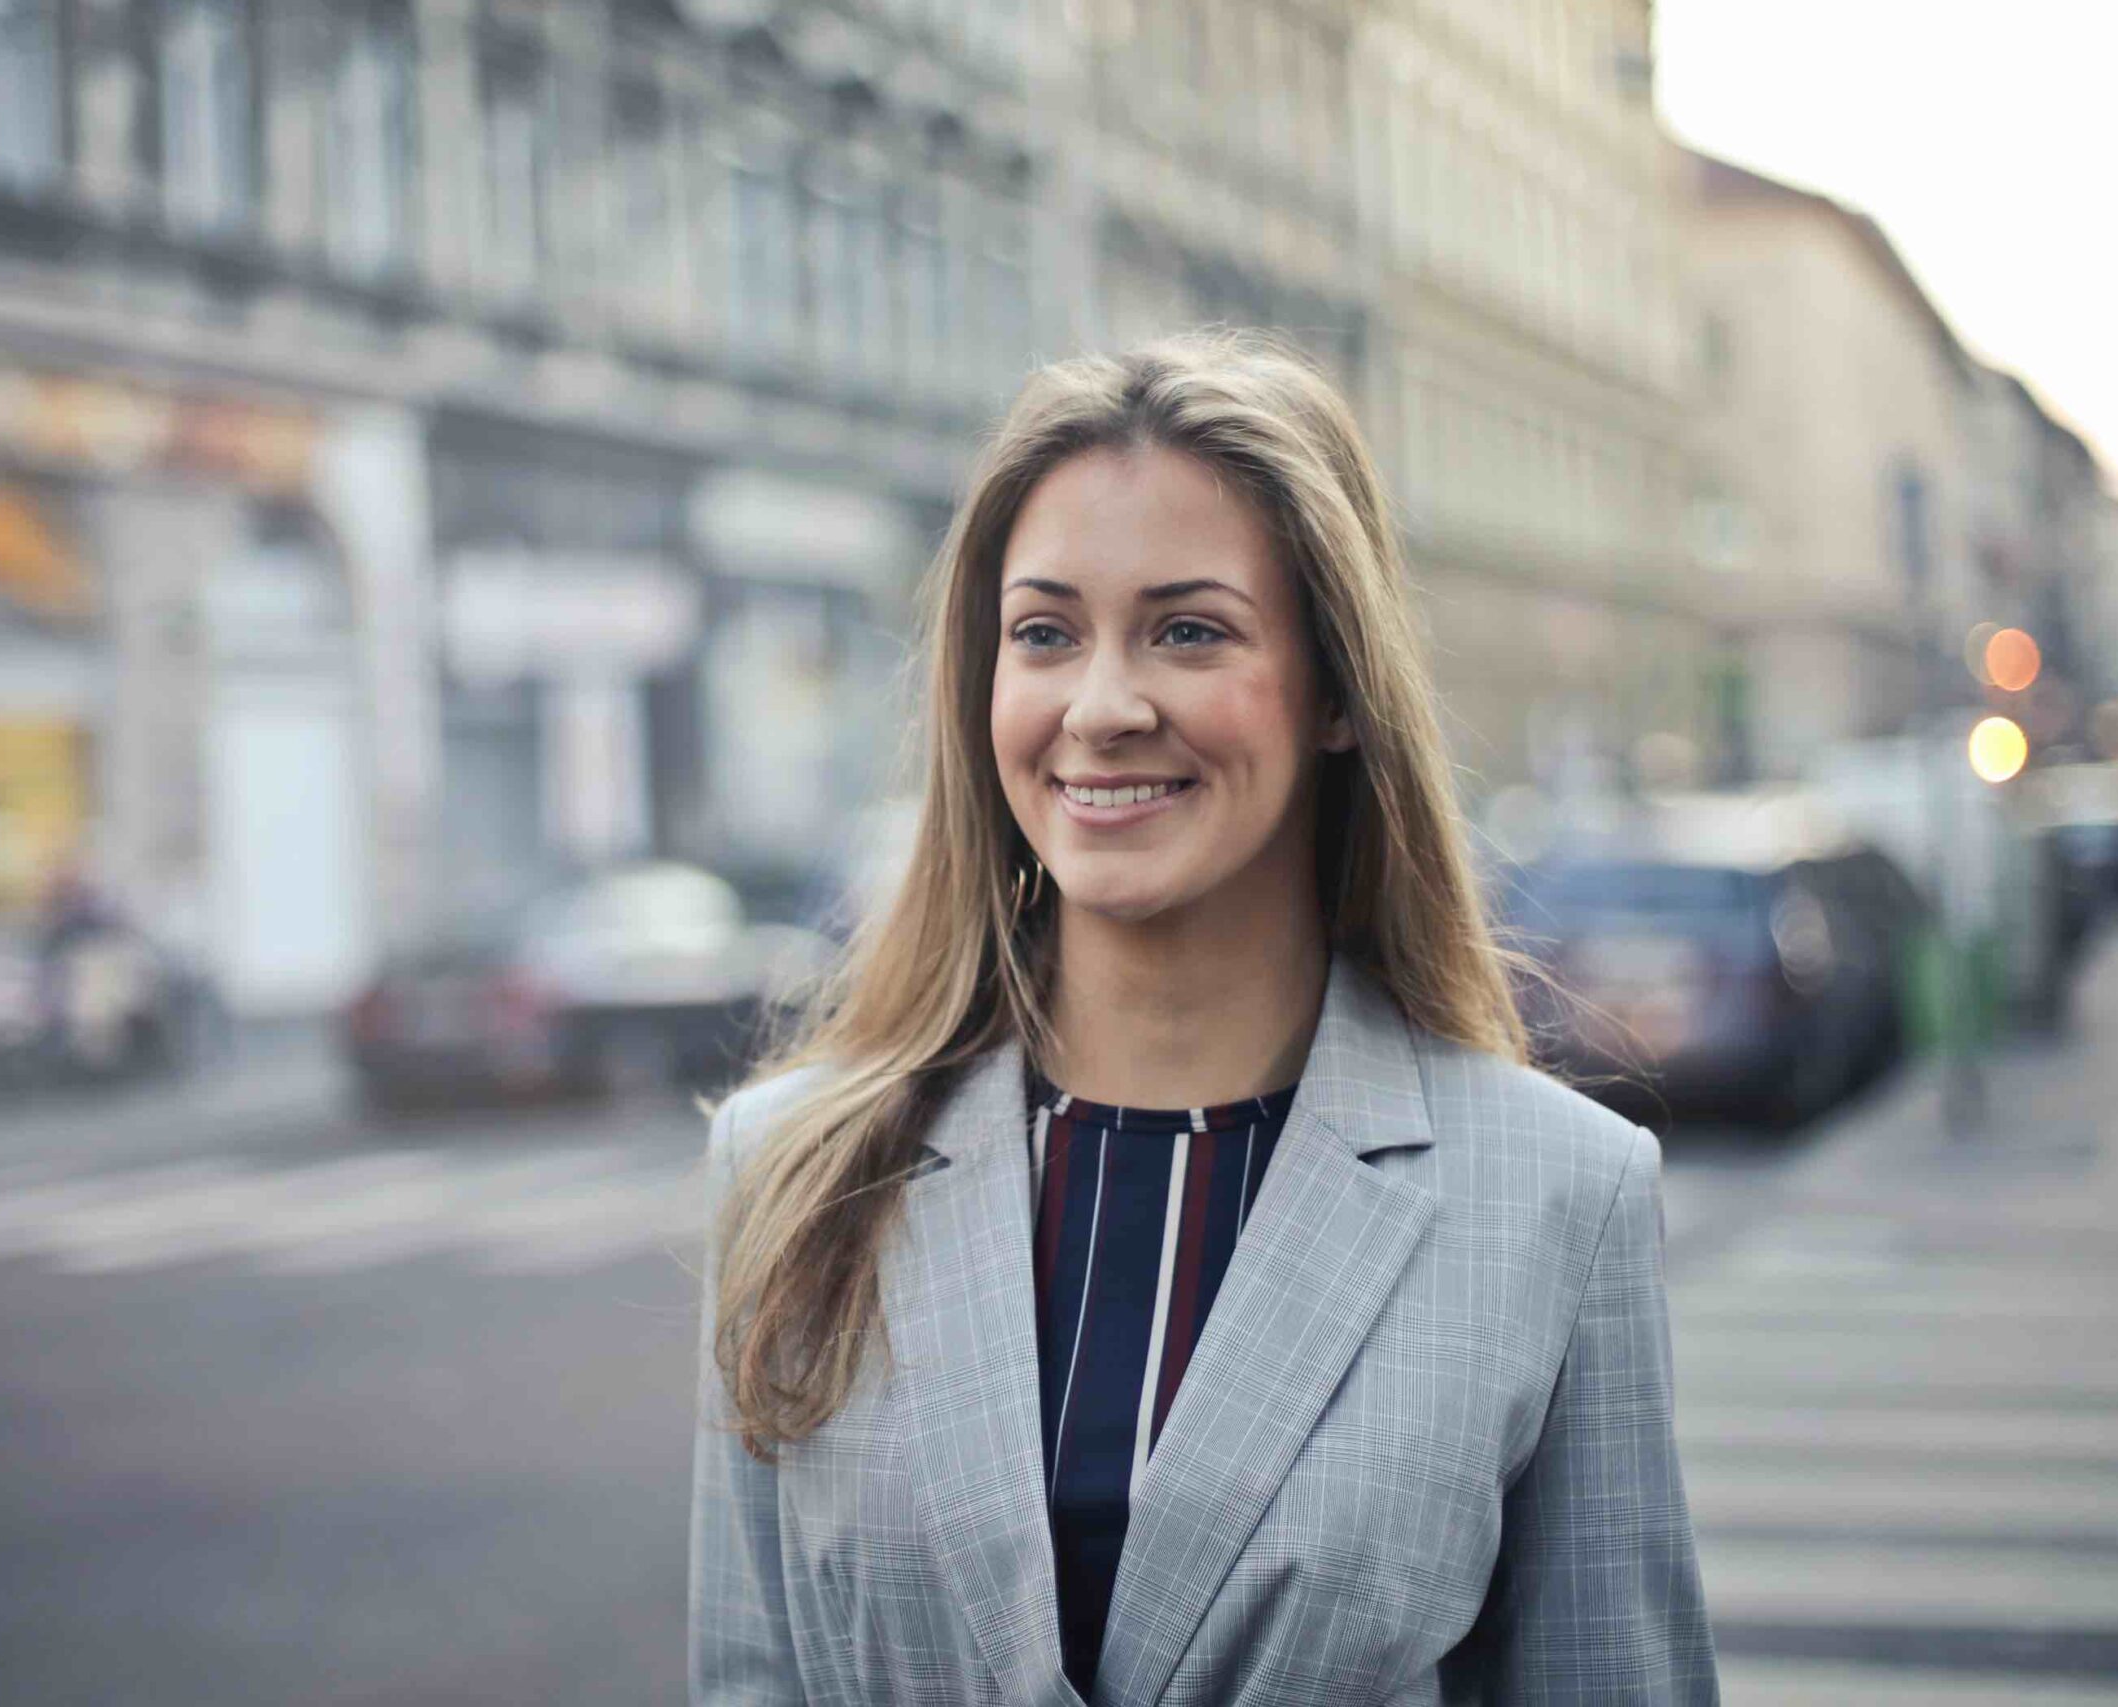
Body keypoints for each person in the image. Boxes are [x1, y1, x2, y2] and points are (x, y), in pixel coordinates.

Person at [689, 333, 1717, 1705]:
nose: (1103, 708)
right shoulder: (793, 1170)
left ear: (1338, 693)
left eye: (1189, 629)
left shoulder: (1555, 1195)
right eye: (1044, 634)